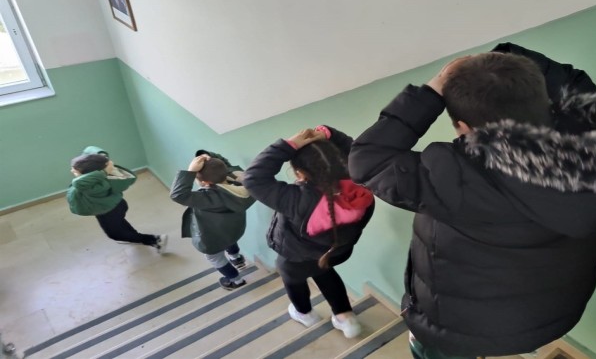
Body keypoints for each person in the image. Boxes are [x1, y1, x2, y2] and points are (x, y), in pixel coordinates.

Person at [348, 44, 596, 358]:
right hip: (551, 315)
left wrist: (434, 88)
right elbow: (581, 89)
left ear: (464, 127)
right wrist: (507, 59)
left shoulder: (450, 175)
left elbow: (367, 160)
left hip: (455, 331)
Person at [243, 126, 374, 339]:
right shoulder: (362, 186)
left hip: (295, 258)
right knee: (325, 273)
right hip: (334, 253)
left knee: (293, 280)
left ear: (300, 174)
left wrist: (288, 145)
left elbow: (252, 178)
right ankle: (347, 319)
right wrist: (330, 134)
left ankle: (304, 314)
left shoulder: (297, 201)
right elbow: (359, 152)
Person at [169, 152, 255, 290]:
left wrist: (190, 171)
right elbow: (225, 167)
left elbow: (178, 194)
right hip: (233, 229)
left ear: (205, 183)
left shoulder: (208, 198)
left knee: (215, 258)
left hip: (211, 238)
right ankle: (237, 258)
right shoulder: (240, 185)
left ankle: (236, 280)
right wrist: (212, 158)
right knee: (230, 241)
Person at [67, 145, 168, 253]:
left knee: (114, 234)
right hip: (116, 205)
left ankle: (156, 240)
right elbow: (90, 148)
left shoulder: (92, 187)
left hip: (107, 211)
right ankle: (133, 235)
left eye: (76, 171)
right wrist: (104, 159)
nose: (72, 170)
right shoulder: (106, 176)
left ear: (89, 174)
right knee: (119, 223)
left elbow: (78, 183)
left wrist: (104, 171)